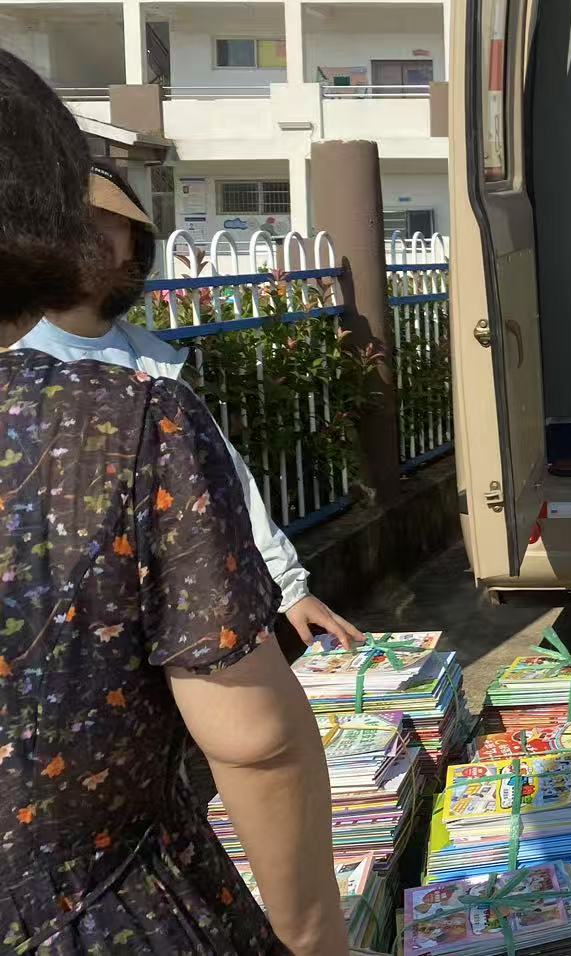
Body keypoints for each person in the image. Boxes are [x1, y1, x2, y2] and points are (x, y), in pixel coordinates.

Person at [0, 50, 347, 955]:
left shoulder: (150, 369)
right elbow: (254, 738)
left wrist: (287, 583)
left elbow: (227, 499)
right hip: (100, 906)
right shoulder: (126, 416)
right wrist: (313, 938)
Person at [10, 158, 364, 650]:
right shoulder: (14, 355)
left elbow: (221, 477)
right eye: (76, 222)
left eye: (110, 223)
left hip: (151, 616)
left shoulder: (155, 361)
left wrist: (289, 588)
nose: (91, 238)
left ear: (134, 247)